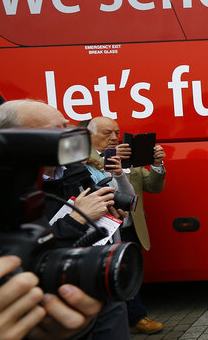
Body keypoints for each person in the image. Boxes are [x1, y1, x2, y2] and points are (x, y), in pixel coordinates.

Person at [0, 99, 117, 340]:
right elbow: (26, 250)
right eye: (57, 129)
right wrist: (76, 218)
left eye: (66, 123)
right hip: (47, 300)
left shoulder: (74, 169)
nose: (72, 133)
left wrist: (108, 207)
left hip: (95, 282)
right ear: (20, 138)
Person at [85, 116, 166, 334]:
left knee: (129, 272)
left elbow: (153, 186)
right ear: (90, 135)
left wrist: (158, 165)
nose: (114, 137)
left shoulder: (129, 158)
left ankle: (134, 318)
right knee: (108, 275)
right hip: (101, 231)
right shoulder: (82, 160)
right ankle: (132, 319)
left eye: (116, 133)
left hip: (129, 227)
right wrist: (112, 161)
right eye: (107, 133)